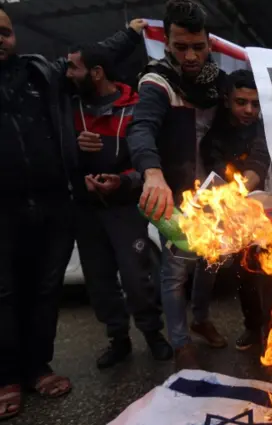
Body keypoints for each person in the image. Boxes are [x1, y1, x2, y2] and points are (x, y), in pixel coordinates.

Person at [0, 4, 147, 419]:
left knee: (45, 290)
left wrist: (132, 33)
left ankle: (37, 367)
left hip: (51, 203)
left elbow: (87, 57)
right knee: (5, 293)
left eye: (5, 32)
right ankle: (6, 375)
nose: (2, 40)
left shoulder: (38, 74)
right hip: (3, 209)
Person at [127, 0, 228, 371]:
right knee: (175, 271)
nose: (190, 55)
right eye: (181, 46)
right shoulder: (157, 82)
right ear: (167, 42)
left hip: (216, 192)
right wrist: (152, 173)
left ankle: (201, 318)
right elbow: (141, 128)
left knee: (212, 263)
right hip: (176, 194)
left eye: (198, 47)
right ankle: (181, 341)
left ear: (209, 44)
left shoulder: (218, 83)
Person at [66, 44, 173, 369]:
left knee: (137, 277)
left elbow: (150, 157)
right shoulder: (68, 107)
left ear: (96, 72)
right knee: (98, 281)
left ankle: (153, 334)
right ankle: (118, 339)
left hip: (125, 208)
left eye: (73, 68)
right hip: (86, 210)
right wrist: (79, 173)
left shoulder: (135, 108)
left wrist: (123, 181)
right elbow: (53, 155)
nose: (66, 74)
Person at [199, 69, 272, 350]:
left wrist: (242, 186)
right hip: (233, 214)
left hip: (270, 206)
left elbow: (260, 163)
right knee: (247, 274)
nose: (249, 110)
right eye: (242, 102)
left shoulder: (265, 128)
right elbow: (214, 171)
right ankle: (254, 328)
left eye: (255, 104)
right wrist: (233, 195)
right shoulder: (214, 134)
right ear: (228, 100)